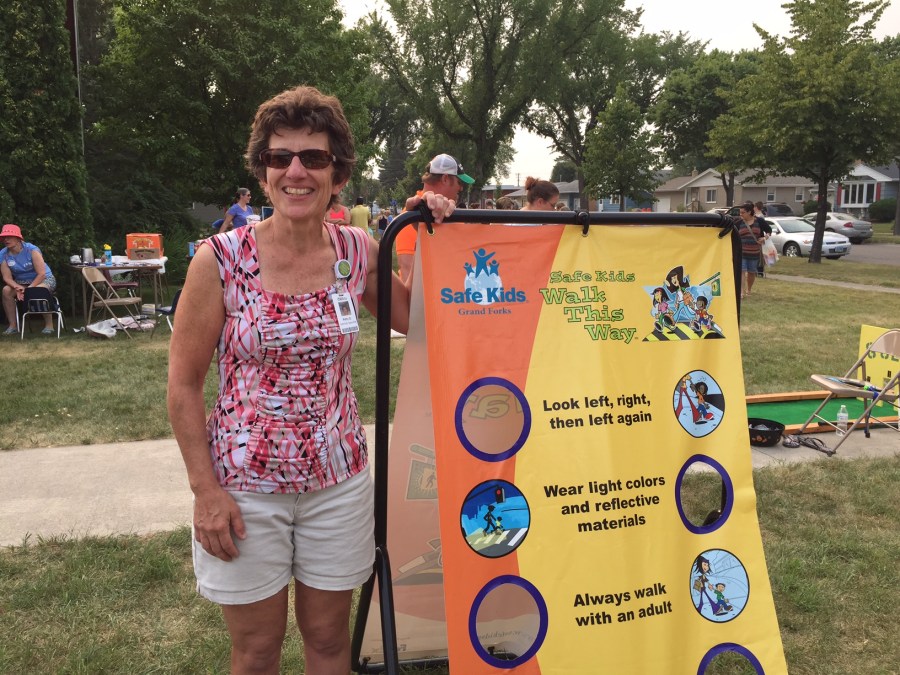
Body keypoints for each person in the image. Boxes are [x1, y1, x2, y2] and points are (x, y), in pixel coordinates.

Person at [166, 85, 454, 675]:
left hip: (338, 485)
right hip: (244, 489)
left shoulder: (355, 248)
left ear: (337, 173)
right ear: (263, 171)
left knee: (327, 641)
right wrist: (205, 492)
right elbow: (183, 385)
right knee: (256, 650)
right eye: (280, 157)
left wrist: (425, 230)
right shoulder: (219, 260)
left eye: (314, 157)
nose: (295, 171)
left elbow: (412, 318)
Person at [394, 153, 474, 284]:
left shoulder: (449, 212)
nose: (461, 188)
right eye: (459, 182)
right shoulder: (413, 214)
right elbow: (407, 270)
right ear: (445, 179)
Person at [1, 224, 57, 335]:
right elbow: (6, 277)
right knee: (6, 291)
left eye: (9, 237)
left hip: (44, 279)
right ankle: (13, 326)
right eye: (4, 237)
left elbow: (41, 274)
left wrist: (29, 290)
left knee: (39, 291)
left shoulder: (32, 250)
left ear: (18, 238)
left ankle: (49, 325)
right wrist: (17, 287)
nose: (6, 239)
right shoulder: (3, 254)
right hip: (21, 282)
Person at [736, 201, 763, 299]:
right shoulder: (738, 222)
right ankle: (741, 292)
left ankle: (749, 289)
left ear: (749, 212)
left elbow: (769, 230)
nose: (741, 214)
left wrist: (764, 238)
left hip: (754, 252)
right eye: (740, 212)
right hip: (742, 252)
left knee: (751, 272)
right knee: (741, 271)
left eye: (743, 212)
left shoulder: (759, 221)